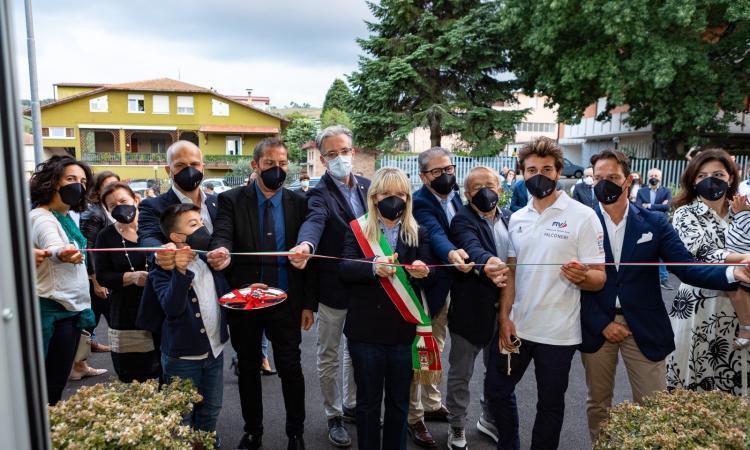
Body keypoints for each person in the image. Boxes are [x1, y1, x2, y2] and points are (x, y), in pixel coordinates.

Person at [580, 149, 750, 442]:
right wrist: (602, 323)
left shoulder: (654, 223)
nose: (604, 183)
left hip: (644, 326)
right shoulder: (581, 222)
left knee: (655, 406)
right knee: (598, 405)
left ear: (628, 180)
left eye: (613, 177)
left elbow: (687, 268)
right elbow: (573, 282)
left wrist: (732, 274)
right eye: (598, 178)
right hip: (598, 327)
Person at [486, 137, 606, 450]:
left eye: (547, 169)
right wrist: (504, 317)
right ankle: (508, 444)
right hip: (519, 327)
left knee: (550, 405)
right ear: (522, 173)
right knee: (497, 390)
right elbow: (511, 272)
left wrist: (583, 277)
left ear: (559, 172)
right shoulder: (518, 218)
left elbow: (599, 278)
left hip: (559, 332)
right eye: (532, 169)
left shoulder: (583, 216)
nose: (540, 175)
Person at [209, 137, 313, 450]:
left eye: (282, 164)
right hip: (246, 301)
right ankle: (253, 430)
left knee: (291, 368)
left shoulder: (299, 203)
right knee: (249, 367)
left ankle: (296, 433)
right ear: (255, 166)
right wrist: (220, 251)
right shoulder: (231, 200)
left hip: (286, 301)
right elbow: (222, 234)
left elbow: (308, 262)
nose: (277, 170)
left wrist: (307, 304)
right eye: (270, 164)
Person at [339, 167, 435, 450]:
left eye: (400, 194)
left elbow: (434, 272)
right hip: (366, 332)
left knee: (398, 402)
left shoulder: (418, 232)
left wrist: (423, 271)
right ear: (374, 196)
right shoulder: (356, 228)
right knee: (367, 403)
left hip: (402, 333)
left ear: (408, 197)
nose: (394, 200)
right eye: (387, 194)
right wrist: (372, 268)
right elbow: (343, 267)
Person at [288, 126, 369, 447]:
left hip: (365, 287)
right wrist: (306, 245)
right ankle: (333, 414)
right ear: (322, 159)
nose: (340, 159)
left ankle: (350, 405)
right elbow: (315, 222)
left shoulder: (367, 186)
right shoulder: (318, 194)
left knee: (356, 351)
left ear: (354, 151)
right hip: (333, 291)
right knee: (329, 354)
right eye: (332, 154)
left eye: (344, 151)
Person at [666, 149, 750, 396]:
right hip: (699, 307)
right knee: (694, 383)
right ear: (693, 180)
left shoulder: (744, 210)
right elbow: (701, 253)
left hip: (741, 312)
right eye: (702, 175)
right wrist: (744, 257)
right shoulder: (685, 213)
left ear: (731, 178)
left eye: (717, 174)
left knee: (738, 381)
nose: (709, 180)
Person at [446, 166, 511, 450]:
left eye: (491, 185)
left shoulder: (512, 219)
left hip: (506, 312)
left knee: (497, 371)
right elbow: (471, 247)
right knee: (461, 373)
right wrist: (489, 264)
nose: (486, 191)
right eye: (477, 187)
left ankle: (488, 417)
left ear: (500, 188)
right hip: (471, 311)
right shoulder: (462, 220)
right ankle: (456, 425)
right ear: (467, 194)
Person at [151, 203, 229, 438]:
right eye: (193, 225)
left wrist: (249, 290)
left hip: (214, 351)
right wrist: (180, 272)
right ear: (176, 236)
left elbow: (223, 293)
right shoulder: (162, 270)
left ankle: (204, 442)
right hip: (182, 357)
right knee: (181, 413)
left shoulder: (207, 259)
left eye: (202, 223)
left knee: (211, 407)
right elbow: (172, 308)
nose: (202, 228)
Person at [408, 148, 468, 447]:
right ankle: (414, 416)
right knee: (420, 352)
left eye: (449, 169)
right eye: (437, 172)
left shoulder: (455, 197)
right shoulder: (420, 202)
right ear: (423, 176)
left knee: (436, 349)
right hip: (426, 289)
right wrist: (451, 253)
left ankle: (431, 403)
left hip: (448, 289)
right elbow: (434, 233)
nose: (445, 175)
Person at [29, 156, 99, 404]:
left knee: (56, 382)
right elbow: (54, 246)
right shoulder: (42, 217)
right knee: (49, 385)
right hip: (53, 313)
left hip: (69, 311)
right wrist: (63, 253)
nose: (77, 186)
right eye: (70, 179)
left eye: (82, 181)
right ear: (52, 182)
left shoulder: (65, 216)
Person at [137, 141, 218, 335]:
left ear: (202, 167)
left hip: (215, 302)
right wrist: (159, 252)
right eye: (180, 165)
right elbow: (147, 237)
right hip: (177, 308)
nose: (189, 170)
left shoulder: (219, 202)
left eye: (195, 164)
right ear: (168, 169)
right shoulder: (153, 206)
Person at [94, 182, 161, 383]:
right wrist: (130, 277)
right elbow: (103, 275)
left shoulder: (155, 229)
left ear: (136, 200)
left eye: (123, 201)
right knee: (133, 372)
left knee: (164, 366)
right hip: (126, 310)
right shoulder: (105, 236)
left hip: (159, 306)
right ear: (108, 210)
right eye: (113, 205)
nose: (120, 207)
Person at [80, 170, 120, 355]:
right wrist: (96, 281)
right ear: (97, 189)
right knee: (96, 317)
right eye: (108, 185)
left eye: (116, 184)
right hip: (98, 276)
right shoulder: (93, 212)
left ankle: (84, 354)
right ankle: (79, 361)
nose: (113, 189)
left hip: (108, 273)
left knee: (94, 317)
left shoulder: (111, 208)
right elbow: (89, 248)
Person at [636, 168, 673, 289]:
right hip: (645, 225)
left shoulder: (666, 191)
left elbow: (666, 207)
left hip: (661, 226)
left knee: (661, 252)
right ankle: (642, 279)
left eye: (656, 175)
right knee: (644, 251)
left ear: (660, 178)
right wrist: (659, 206)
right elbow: (638, 207)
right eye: (651, 175)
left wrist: (649, 206)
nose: (654, 177)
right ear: (648, 177)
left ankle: (664, 279)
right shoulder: (641, 191)